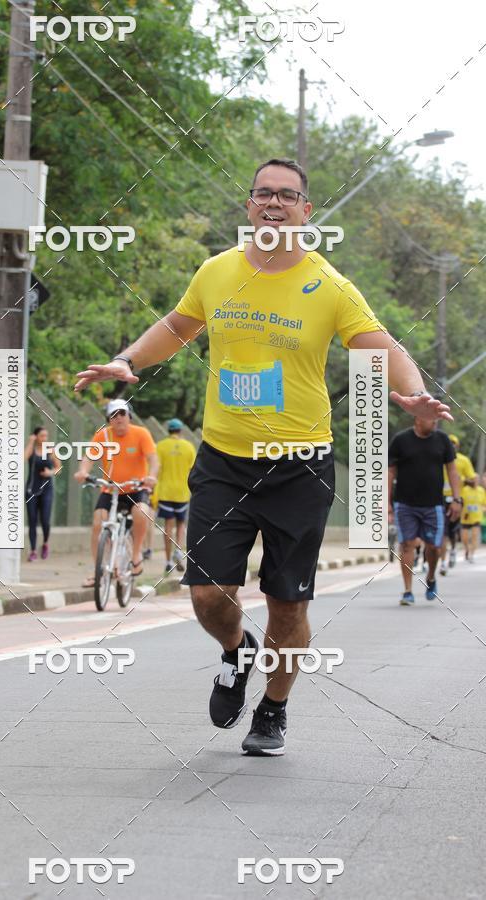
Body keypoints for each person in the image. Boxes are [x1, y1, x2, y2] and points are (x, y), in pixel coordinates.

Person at [74, 157, 453, 756]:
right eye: (263, 194)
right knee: (206, 595)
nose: (273, 203)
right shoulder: (218, 272)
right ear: (250, 206)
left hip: (299, 467)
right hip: (224, 461)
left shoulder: (329, 286)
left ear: (306, 210)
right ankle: (235, 652)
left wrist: (411, 389)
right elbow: (178, 326)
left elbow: (384, 345)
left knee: (286, 603)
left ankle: (274, 708)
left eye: (287, 195)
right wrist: (128, 361)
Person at [74, 399, 158, 585]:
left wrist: (151, 476)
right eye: (114, 415)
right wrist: (83, 472)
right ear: (109, 419)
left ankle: (136, 555)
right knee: (98, 522)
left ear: (129, 416)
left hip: (136, 488)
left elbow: (153, 459)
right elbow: (89, 456)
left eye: (122, 414)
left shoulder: (141, 433)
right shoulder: (102, 436)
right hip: (111, 489)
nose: (118, 418)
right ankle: (99, 571)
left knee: (141, 512)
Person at [388, 417, 461, 605]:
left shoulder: (443, 440)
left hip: (433, 505)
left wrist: (456, 499)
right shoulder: (400, 440)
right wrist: (386, 502)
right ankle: (407, 591)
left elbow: (452, 471)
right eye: (431, 418)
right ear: (419, 418)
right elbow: (390, 472)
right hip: (405, 504)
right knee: (407, 544)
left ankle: (430, 577)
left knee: (434, 547)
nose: (435, 422)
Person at [156, 418, 196, 573]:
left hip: (165, 491)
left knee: (168, 526)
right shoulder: (189, 447)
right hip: (183, 492)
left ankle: (167, 561)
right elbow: (193, 469)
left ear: (169, 430)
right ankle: (178, 550)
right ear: (181, 431)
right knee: (181, 524)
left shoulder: (161, 446)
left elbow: (157, 468)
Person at [439, 433, 476, 573]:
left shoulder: (463, 460)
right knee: (442, 531)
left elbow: (473, 481)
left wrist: (463, 480)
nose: (451, 445)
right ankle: (442, 562)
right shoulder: (438, 458)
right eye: (449, 443)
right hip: (440, 498)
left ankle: (453, 549)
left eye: (453, 443)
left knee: (453, 531)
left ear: (457, 446)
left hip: (456, 500)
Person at [25, 426, 61, 561]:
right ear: (36, 436)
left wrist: (50, 473)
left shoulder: (50, 450)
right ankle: (33, 550)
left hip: (46, 489)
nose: (45, 439)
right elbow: (23, 458)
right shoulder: (32, 450)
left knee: (45, 519)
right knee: (32, 520)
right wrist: (30, 442)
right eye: (42, 436)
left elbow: (59, 468)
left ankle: (45, 543)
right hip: (31, 489)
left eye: (46, 436)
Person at [460, 474, 483, 562]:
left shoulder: (481, 490)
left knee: (474, 536)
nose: (476, 481)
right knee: (465, 538)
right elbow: (461, 501)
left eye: (477, 480)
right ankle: (466, 549)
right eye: (474, 479)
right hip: (466, 517)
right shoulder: (465, 490)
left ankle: (472, 554)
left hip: (476, 517)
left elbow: (484, 503)